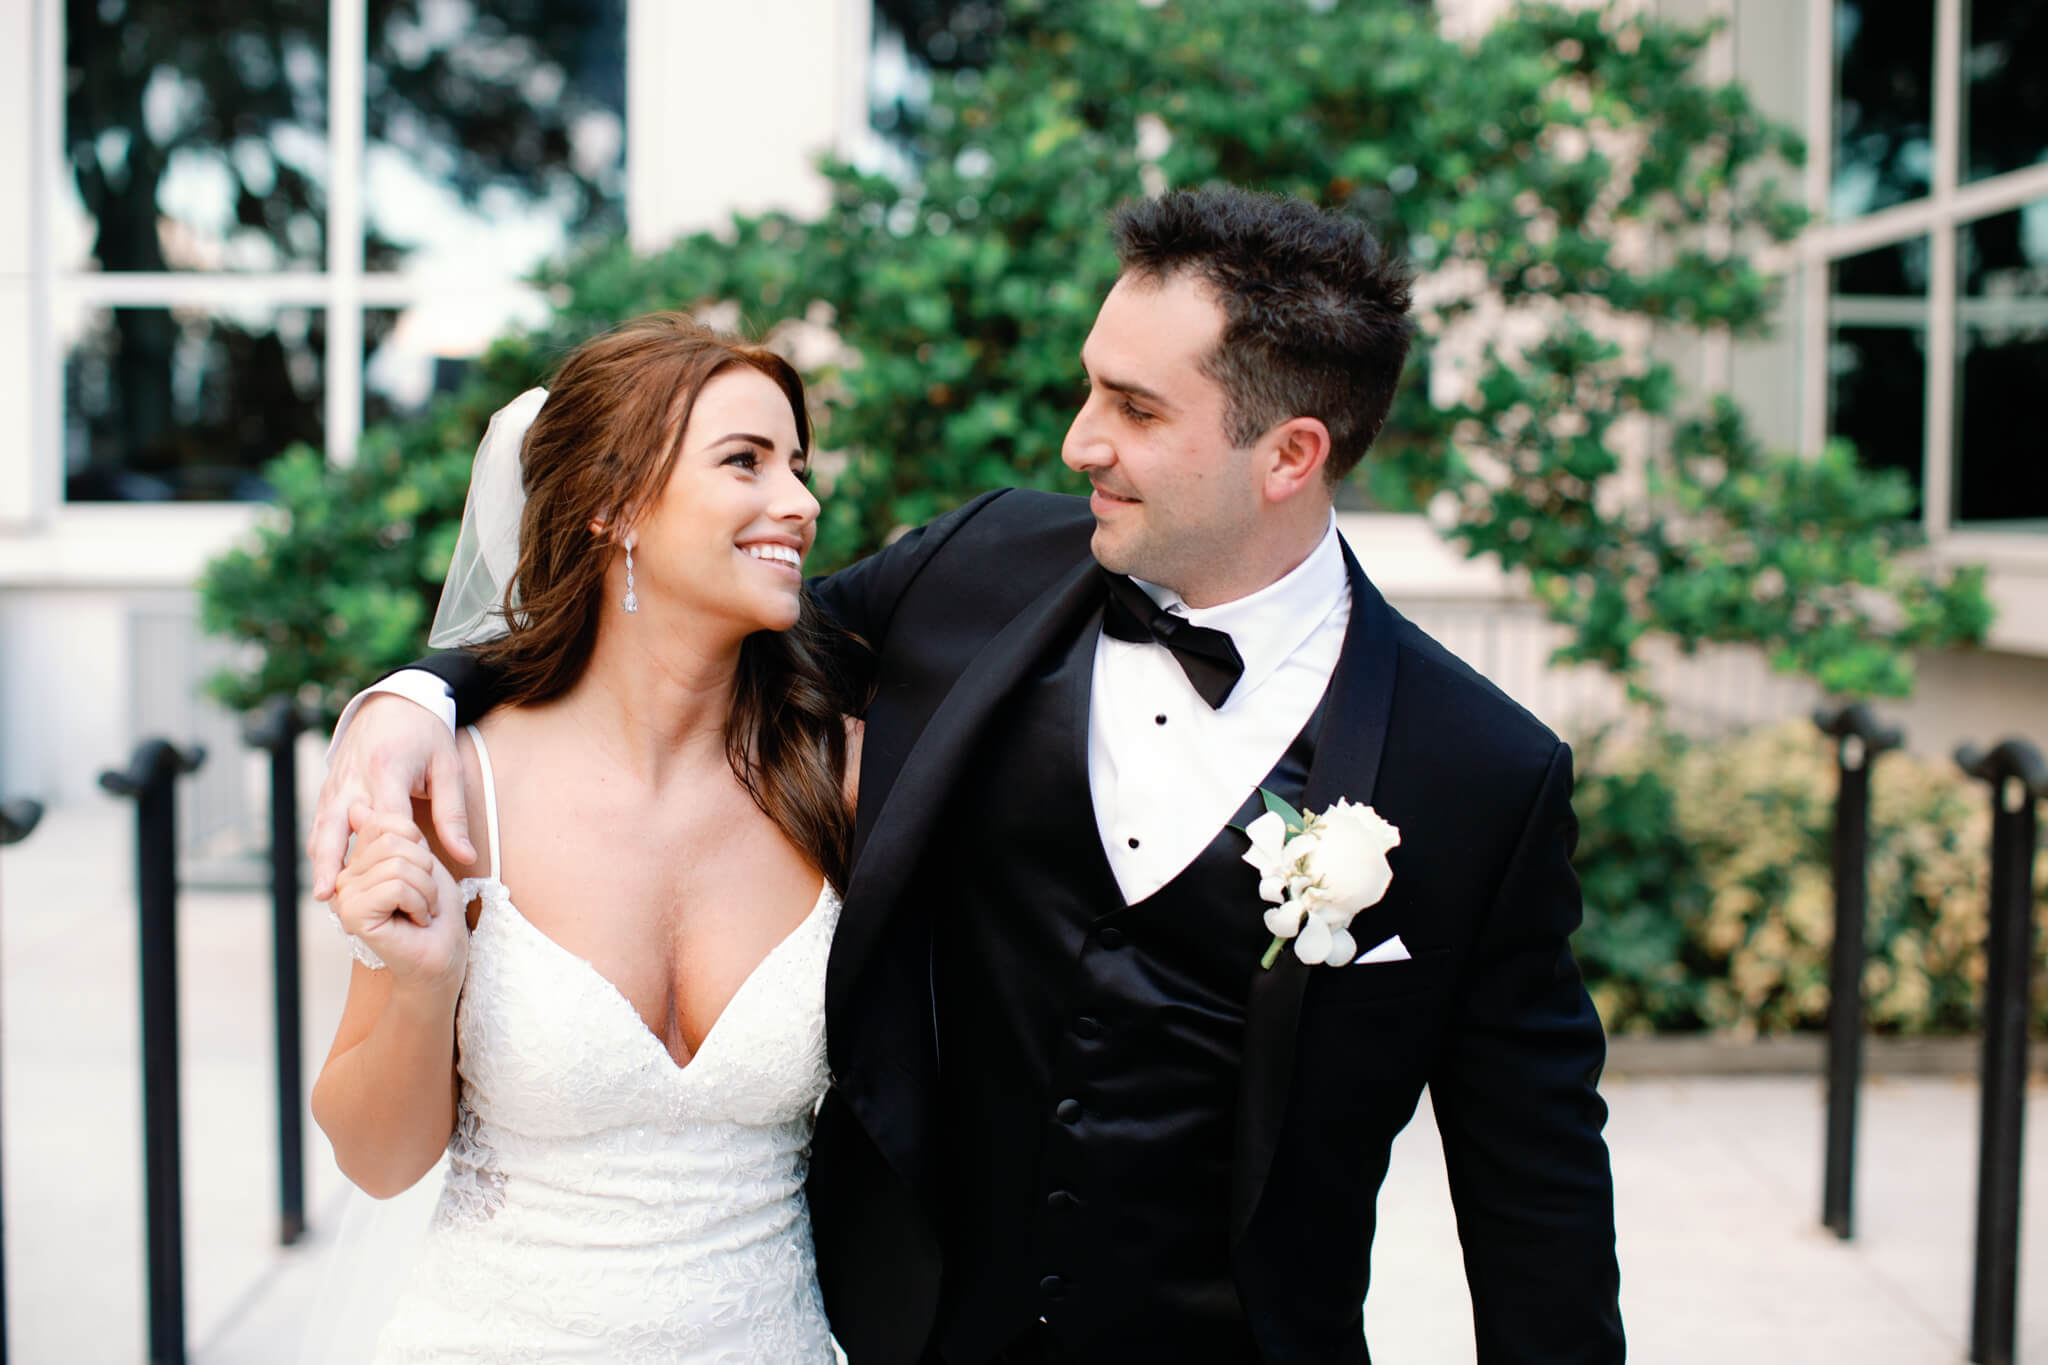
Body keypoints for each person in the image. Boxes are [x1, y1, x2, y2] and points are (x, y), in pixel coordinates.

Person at [316, 186, 1624, 1364]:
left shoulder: (1479, 774)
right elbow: (668, 635)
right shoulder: (984, 568)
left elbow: (1536, 1199)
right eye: (1090, 386)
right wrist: (416, 695)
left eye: (1135, 409)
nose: (1077, 441)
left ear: (1290, 455)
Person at [310, 313, 863, 1362]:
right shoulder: (452, 781)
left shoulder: (842, 776)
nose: (800, 502)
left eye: (796, 464)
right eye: (744, 462)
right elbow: (377, 1163)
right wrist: (427, 985)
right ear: (614, 504)